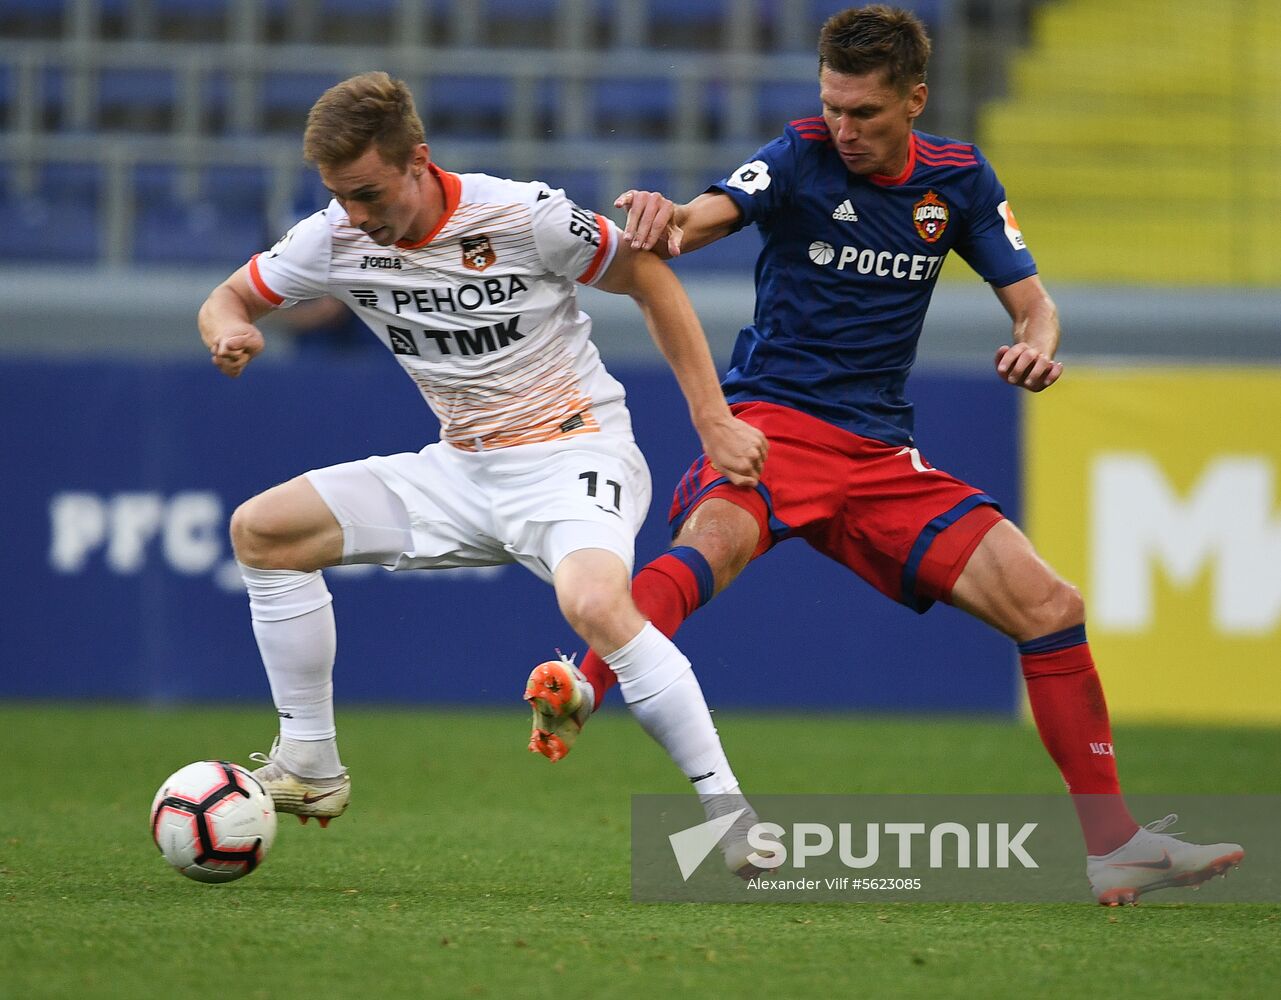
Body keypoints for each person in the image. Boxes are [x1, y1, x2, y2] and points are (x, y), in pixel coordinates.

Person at [526, 5, 1243, 904]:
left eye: (863, 113)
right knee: (707, 549)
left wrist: (1037, 341)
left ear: (914, 100)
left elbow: (1033, 303)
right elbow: (703, 218)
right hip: (770, 427)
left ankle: (1114, 846)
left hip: (877, 457)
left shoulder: (959, 181)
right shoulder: (797, 154)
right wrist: (664, 216)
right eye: (831, 106)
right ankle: (585, 682)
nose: (843, 129)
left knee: (1050, 606)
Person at [197, 71, 769, 874]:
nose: (357, 216)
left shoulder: (523, 215)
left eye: (368, 193)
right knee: (263, 531)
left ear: (418, 161)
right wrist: (228, 332)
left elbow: (649, 279)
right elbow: (228, 297)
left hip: (575, 450)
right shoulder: (334, 237)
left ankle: (729, 813)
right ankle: (311, 763)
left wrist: (712, 420)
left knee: (595, 604)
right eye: (340, 196)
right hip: (461, 470)